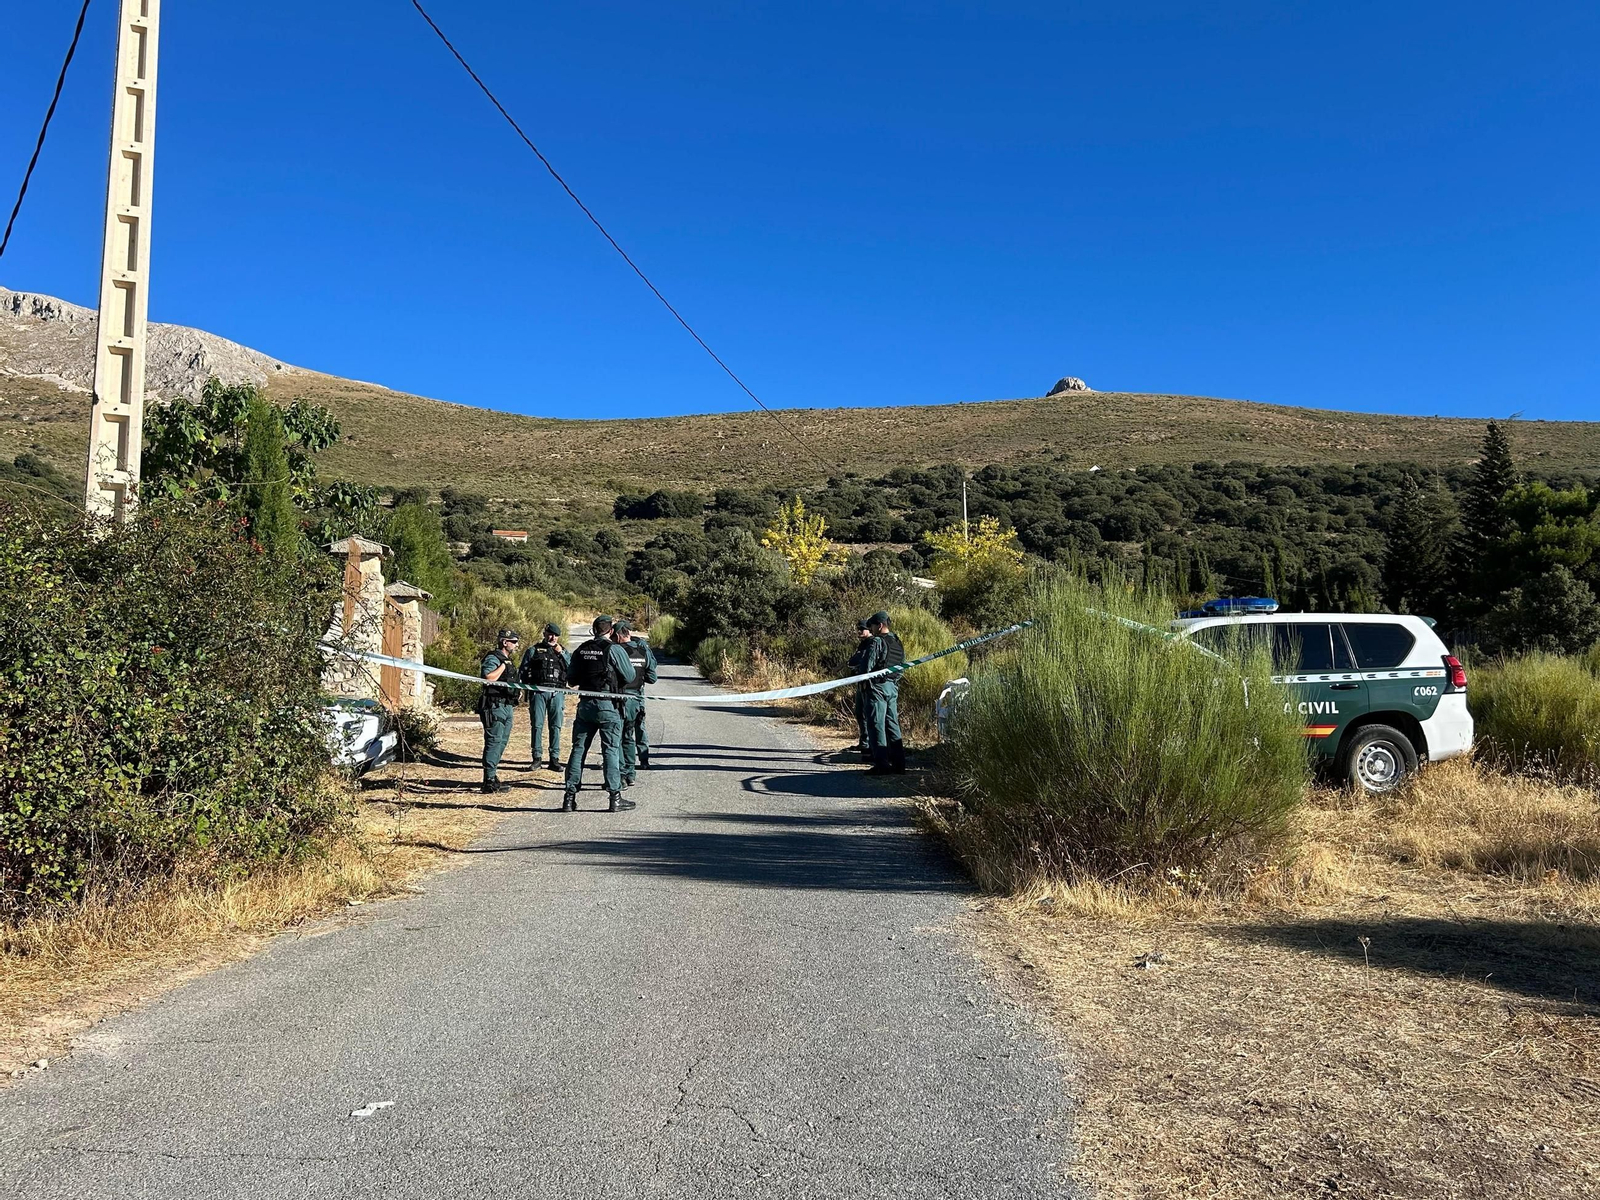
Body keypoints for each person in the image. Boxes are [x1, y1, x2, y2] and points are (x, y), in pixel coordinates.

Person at [563, 616, 638, 812]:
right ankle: (615, 797)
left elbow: (571, 680)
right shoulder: (614, 649)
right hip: (608, 705)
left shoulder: (581, 649)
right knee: (610, 750)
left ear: (593, 629)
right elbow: (630, 676)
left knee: (578, 749)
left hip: (585, 705)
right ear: (611, 631)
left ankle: (569, 797)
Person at [612, 619, 658, 786]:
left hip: (619, 699)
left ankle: (622, 773)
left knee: (617, 738)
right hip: (636, 700)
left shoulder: (615, 651)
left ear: (618, 635)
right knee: (629, 736)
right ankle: (631, 773)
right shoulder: (642, 650)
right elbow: (652, 678)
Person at [520, 622, 569, 771]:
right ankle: (537, 758)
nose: (552, 638)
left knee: (556, 726)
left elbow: (572, 669)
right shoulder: (533, 650)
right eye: (550, 634)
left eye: (555, 635)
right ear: (544, 634)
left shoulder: (563, 652)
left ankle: (554, 759)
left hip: (557, 693)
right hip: (538, 692)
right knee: (537, 725)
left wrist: (562, 653)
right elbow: (523, 671)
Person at [861, 610, 906, 774]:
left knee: (876, 724)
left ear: (880, 626)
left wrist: (864, 684)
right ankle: (899, 764)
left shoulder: (877, 642)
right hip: (892, 687)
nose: (871, 630)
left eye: (872, 626)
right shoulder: (897, 641)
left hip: (877, 688)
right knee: (892, 724)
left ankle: (881, 764)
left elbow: (867, 667)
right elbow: (902, 667)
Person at [477, 628, 521, 794]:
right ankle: (488, 781)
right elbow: (488, 678)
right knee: (494, 742)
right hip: (495, 706)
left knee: (501, 742)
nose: (516, 645)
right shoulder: (493, 658)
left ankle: (492, 775)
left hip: (507, 705)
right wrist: (503, 666)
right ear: (505, 642)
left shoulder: (507, 660)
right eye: (514, 642)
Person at [846, 618, 873, 754]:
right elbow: (853, 661)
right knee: (859, 713)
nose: (859, 632)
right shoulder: (863, 644)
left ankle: (870, 744)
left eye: (862, 629)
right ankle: (864, 742)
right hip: (860, 683)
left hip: (869, 685)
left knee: (867, 714)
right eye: (858, 629)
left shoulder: (873, 643)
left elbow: (861, 661)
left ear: (869, 629)